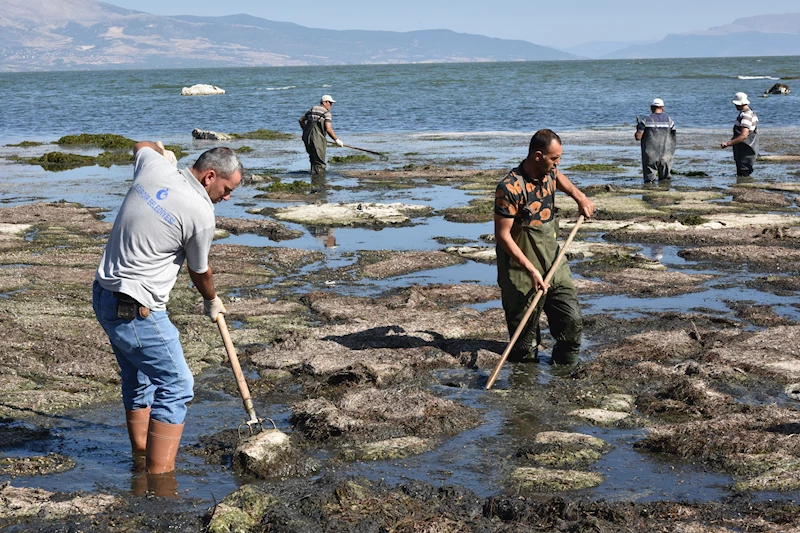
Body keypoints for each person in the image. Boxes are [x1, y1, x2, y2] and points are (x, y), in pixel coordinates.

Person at [93, 141, 242, 480]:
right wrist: (211, 299)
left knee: (139, 376)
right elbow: (200, 270)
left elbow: (141, 145)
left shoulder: (154, 167)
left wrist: (162, 152)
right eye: (227, 189)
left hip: (104, 295)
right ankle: (160, 481)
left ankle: (140, 459)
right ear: (209, 176)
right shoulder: (201, 212)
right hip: (135, 309)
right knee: (177, 385)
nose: (228, 197)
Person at [494, 129, 594, 365]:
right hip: (520, 269)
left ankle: (564, 377)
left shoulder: (549, 173)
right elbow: (502, 235)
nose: (557, 163)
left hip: (553, 260)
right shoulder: (509, 188)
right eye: (554, 158)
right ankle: (527, 392)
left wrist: (580, 197)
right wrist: (531, 270)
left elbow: (558, 177)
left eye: (559, 158)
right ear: (537, 156)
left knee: (572, 322)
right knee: (525, 345)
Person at [299, 94, 344, 178]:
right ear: (325, 102)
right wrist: (337, 140)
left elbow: (301, 120)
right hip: (318, 139)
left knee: (312, 158)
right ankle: (319, 180)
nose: (331, 105)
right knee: (320, 161)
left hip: (307, 138)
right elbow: (328, 129)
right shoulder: (326, 113)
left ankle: (313, 178)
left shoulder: (312, 109)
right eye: (330, 103)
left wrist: (306, 131)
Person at [635, 97, 676, 183]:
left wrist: (637, 129)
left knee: (649, 181)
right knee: (665, 181)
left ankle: (649, 193)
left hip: (650, 155)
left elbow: (638, 137)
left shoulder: (645, 120)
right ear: (663, 108)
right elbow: (673, 137)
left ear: (651, 108)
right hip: (666, 155)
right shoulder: (670, 121)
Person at [721, 92, 759, 177]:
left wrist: (728, 143)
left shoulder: (745, 116)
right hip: (750, 146)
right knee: (746, 168)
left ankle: (744, 187)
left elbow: (744, 135)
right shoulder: (752, 113)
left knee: (743, 170)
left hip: (745, 147)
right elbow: (756, 130)